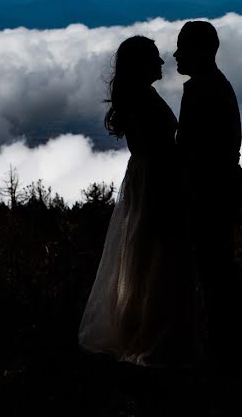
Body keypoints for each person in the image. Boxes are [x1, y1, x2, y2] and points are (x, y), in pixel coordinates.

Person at [78, 35, 197, 367]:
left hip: (148, 180)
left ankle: (143, 328)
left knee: (146, 256)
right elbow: (154, 147)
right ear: (141, 65)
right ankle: (149, 334)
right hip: (155, 183)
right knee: (155, 256)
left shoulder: (139, 97)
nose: (161, 63)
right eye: (154, 59)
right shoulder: (142, 101)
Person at [174, 21, 242, 363]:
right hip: (219, 195)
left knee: (213, 272)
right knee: (218, 271)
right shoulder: (218, 86)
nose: (175, 55)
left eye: (182, 48)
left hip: (206, 199)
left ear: (199, 51)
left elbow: (192, 151)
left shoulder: (201, 91)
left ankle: (224, 347)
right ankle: (227, 341)